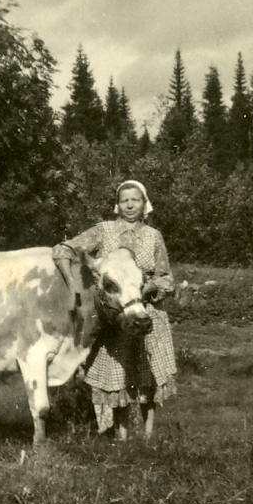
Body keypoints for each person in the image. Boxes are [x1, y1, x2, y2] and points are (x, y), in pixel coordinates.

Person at [52, 180, 176, 439]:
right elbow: (64, 249)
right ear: (117, 206)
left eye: (135, 200)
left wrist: (149, 287)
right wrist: (74, 286)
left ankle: (148, 438)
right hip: (115, 317)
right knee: (117, 375)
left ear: (144, 204)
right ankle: (121, 436)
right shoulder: (104, 231)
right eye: (124, 200)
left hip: (147, 312)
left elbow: (166, 278)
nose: (130, 205)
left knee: (148, 375)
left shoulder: (153, 236)